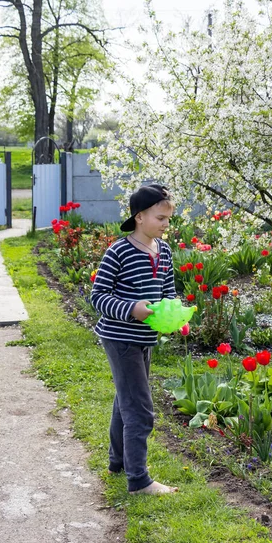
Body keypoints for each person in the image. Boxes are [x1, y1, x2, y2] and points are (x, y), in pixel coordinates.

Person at [91, 184, 179, 495]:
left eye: (168, 218)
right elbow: (98, 296)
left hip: (144, 338)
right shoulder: (119, 251)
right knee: (139, 409)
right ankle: (139, 481)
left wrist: (176, 317)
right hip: (120, 337)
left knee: (124, 401)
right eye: (160, 218)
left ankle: (118, 462)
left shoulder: (164, 251)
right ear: (139, 217)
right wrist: (132, 309)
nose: (166, 224)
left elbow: (168, 293)